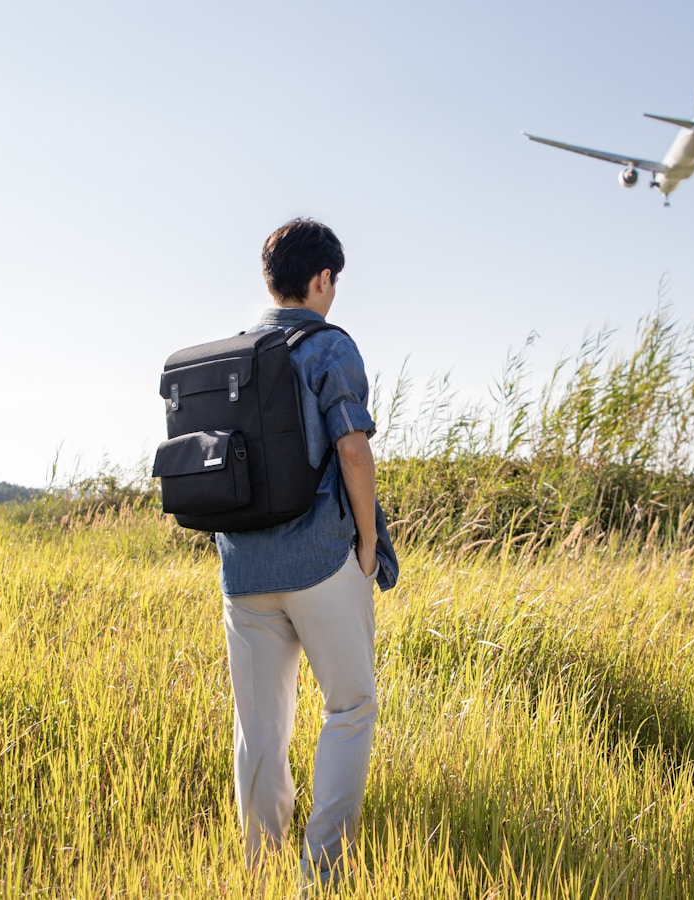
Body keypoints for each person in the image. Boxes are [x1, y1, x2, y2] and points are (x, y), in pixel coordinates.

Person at [216, 217, 399, 888]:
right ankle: (322, 875)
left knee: (259, 726)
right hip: (321, 558)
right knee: (349, 707)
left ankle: (259, 873)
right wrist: (369, 545)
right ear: (321, 279)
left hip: (242, 567)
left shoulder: (231, 355)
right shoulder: (327, 346)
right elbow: (352, 446)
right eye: (334, 282)